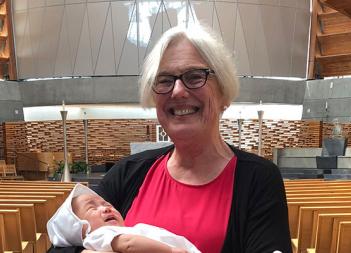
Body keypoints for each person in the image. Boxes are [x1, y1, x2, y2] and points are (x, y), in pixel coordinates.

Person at [48, 24, 292, 253]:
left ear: (223, 93)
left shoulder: (259, 179)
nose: (177, 91)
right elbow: (66, 237)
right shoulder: (128, 172)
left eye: (195, 76)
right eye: (165, 80)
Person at [47, 183, 200, 253]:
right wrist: (170, 250)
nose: (106, 207)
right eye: (92, 208)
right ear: (79, 228)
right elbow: (128, 244)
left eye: (107, 204)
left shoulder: (124, 230)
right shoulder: (97, 236)